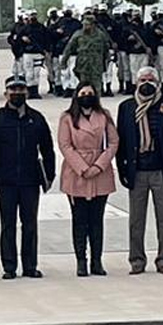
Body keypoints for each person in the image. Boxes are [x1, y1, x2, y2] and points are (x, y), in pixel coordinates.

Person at [0, 76, 56, 279]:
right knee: (8, 225)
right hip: (5, 182)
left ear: (27, 92)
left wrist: (49, 176)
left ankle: (30, 266)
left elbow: (48, 149)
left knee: (30, 224)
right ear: (5, 93)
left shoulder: (37, 118)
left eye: (21, 89)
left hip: (30, 181)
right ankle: (9, 267)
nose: (17, 93)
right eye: (13, 90)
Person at [115, 66, 163, 275]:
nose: (146, 82)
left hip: (162, 171)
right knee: (136, 220)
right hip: (138, 171)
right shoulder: (127, 107)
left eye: (150, 79)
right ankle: (137, 260)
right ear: (136, 83)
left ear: (158, 82)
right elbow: (121, 141)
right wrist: (122, 170)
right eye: (143, 79)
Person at [57, 82, 118, 277]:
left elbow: (113, 142)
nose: (86, 96)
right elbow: (65, 145)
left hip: (100, 171)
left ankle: (97, 261)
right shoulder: (67, 118)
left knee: (97, 220)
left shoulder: (104, 115)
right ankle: (81, 261)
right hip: (77, 173)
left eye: (90, 93)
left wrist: (99, 165)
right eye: (82, 93)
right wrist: (83, 168)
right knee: (80, 219)